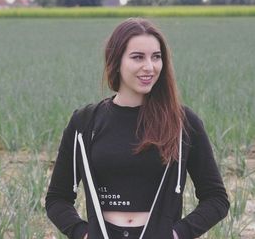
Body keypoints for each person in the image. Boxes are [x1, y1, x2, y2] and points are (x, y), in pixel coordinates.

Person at [45, 18, 229, 239]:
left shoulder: (182, 122)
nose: (149, 67)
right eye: (137, 57)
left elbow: (216, 198)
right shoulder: (85, 123)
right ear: (116, 61)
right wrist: (82, 233)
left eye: (156, 57)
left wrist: (177, 234)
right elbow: (57, 198)